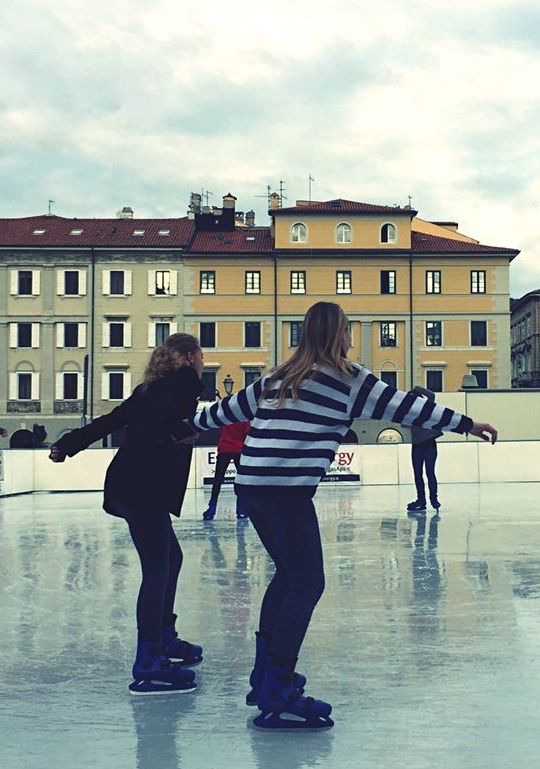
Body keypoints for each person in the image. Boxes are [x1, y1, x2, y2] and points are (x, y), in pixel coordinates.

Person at [192, 301, 499, 731]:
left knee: (287, 576)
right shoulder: (350, 379)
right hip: (285, 491)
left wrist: (182, 421)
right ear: (341, 334)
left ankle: (265, 675)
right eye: (349, 331)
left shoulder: (276, 377)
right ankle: (278, 688)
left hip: (253, 487)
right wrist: (467, 424)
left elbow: (222, 413)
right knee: (306, 582)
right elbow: (408, 408)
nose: (351, 338)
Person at [50, 333, 206, 695]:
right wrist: (180, 431)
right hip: (142, 488)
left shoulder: (151, 388)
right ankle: (149, 658)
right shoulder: (180, 383)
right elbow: (167, 417)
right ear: (188, 357)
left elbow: (112, 420)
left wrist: (68, 444)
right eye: (200, 356)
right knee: (157, 569)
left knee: (172, 559)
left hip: (133, 485)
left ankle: (164, 639)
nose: (202, 363)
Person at [203, 420, 251, 520]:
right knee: (240, 480)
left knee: (218, 480)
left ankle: (211, 509)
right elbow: (247, 432)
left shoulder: (225, 415)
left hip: (224, 448)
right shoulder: (243, 417)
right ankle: (241, 509)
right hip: (239, 449)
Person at [407, 385, 443, 511]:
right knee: (419, 474)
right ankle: (422, 499)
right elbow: (403, 424)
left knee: (429, 473)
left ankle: (432, 498)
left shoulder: (426, 408)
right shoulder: (408, 413)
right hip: (418, 445)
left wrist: (417, 388)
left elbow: (432, 395)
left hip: (427, 444)